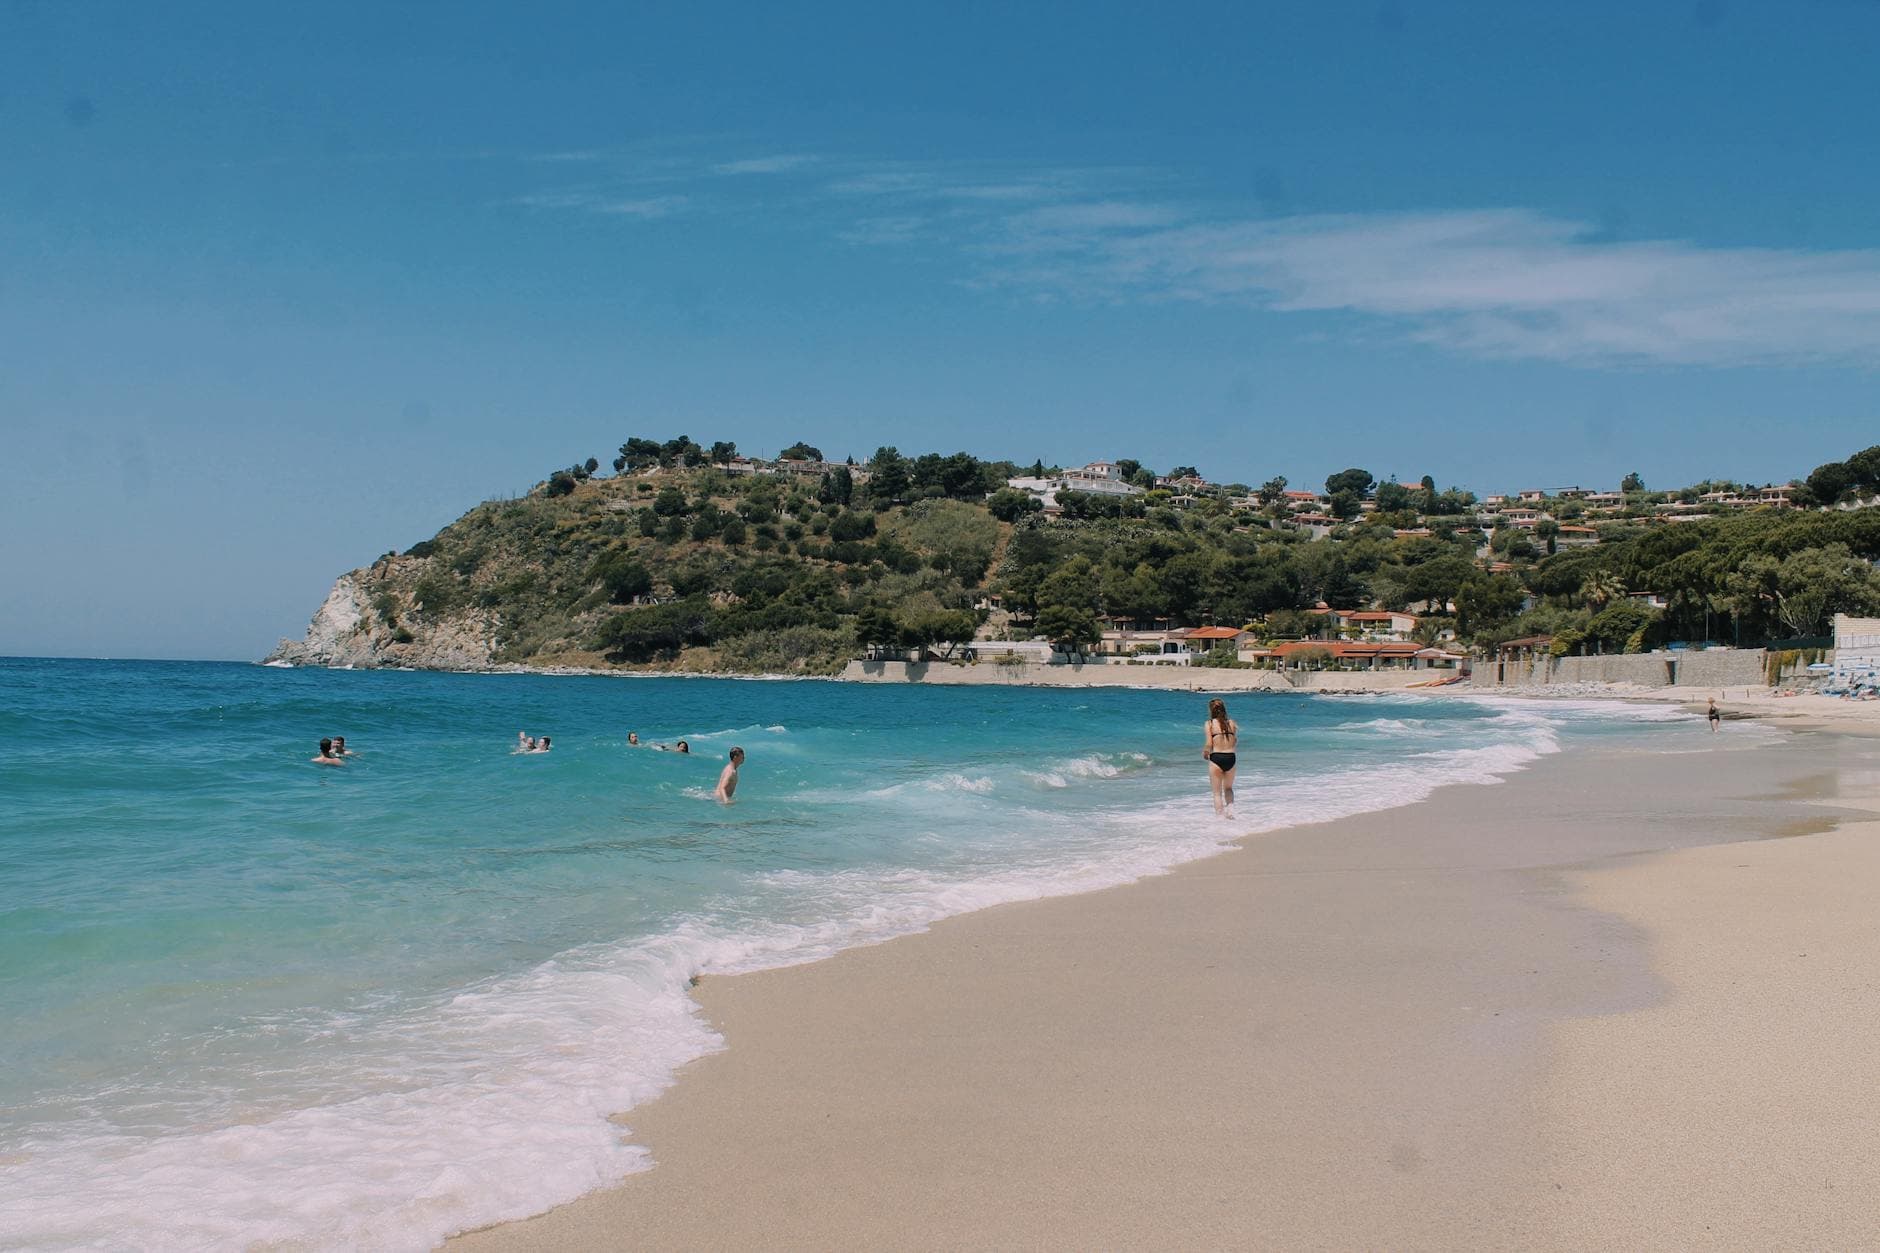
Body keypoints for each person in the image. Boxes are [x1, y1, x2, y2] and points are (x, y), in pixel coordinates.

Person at [1203, 697, 1238, 818]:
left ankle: (1220, 819)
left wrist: (1205, 752)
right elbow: (1234, 741)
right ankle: (1231, 811)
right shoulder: (1232, 723)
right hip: (1231, 758)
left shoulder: (1209, 724)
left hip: (1217, 758)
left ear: (1211, 710)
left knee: (1217, 793)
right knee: (1228, 788)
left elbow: (1209, 743)